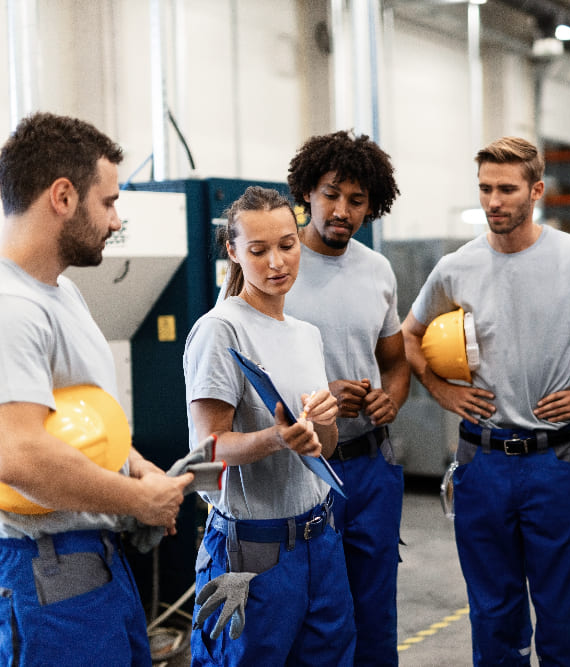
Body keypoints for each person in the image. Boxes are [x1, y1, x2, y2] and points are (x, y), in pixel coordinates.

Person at [401, 136, 570, 666]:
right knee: (494, 617)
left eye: (506, 189)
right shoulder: (456, 268)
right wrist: (442, 391)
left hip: (556, 461)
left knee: (568, 616)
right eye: (485, 188)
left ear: (536, 191)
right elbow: (408, 336)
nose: (493, 202)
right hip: (480, 462)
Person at [0, 112, 192, 665]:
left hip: (96, 561)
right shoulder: (13, 309)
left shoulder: (62, 295)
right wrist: (137, 500)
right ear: (62, 196)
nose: (116, 220)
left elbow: (82, 420)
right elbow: (20, 455)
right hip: (46, 574)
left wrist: (136, 467)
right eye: (107, 202)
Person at [184, 186, 354, 665]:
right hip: (253, 553)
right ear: (234, 252)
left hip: (319, 541)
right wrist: (276, 437)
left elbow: (324, 447)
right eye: (258, 251)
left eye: (286, 245)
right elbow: (208, 447)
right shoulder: (221, 330)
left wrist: (323, 423)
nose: (277, 262)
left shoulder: (306, 335)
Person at [284, 130, 407, 665]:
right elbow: (243, 374)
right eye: (332, 193)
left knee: (374, 612)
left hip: (371, 470)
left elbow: (396, 363)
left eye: (357, 201)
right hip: (300, 472)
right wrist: (319, 396)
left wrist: (391, 400)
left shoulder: (376, 270)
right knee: (311, 615)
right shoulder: (273, 265)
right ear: (308, 191)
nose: (342, 210)